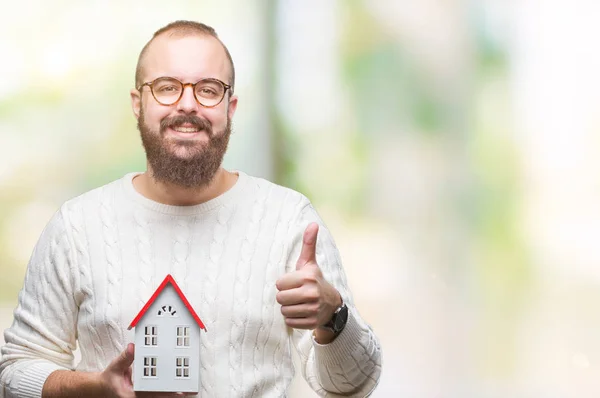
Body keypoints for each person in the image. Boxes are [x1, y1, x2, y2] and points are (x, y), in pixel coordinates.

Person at [0, 20, 382, 398]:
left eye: (208, 90)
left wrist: (333, 318)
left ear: (230, 108)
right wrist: (93, 389)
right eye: (166, 88)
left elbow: (355, 385)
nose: (187, 104)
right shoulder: (77, 226)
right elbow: (14, 371)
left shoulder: (288, 220)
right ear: (138, 104)